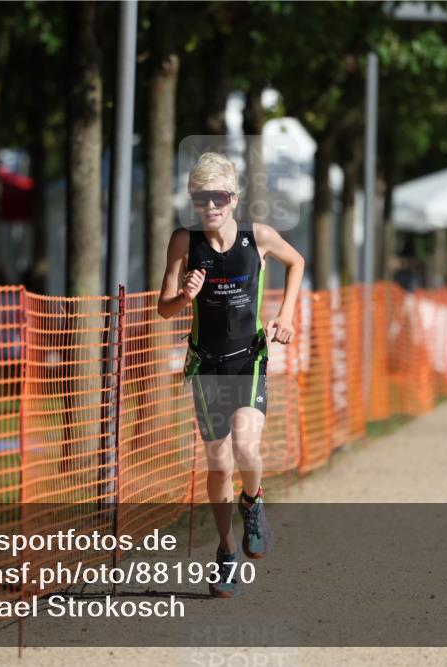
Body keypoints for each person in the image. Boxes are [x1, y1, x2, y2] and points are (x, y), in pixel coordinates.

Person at [157, 152, 305, 598]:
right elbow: (164, 308)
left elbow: (296, 262)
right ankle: (226, 551)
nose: (211, 205)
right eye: (201, 198)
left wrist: (286, 315)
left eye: (219, 197)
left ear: (234, 198)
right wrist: (185, 297)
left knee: (245, 445)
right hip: (206, 363)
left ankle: (253, 503)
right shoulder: (184, 241)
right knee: (219, 463)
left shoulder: (257, 237)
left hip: (248, 358)